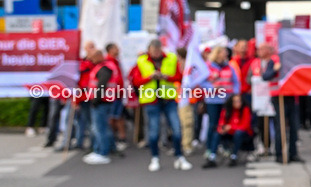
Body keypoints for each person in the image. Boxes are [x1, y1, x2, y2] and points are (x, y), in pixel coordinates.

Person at [130, 39, 192, 172]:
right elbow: (135, 80)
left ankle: (179, 156)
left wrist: (166, 77)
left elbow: (179, 77)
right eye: (154, 50)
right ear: (149, 50)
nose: (156, 53)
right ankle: (155, 158)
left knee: (176, 129)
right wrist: (150, 77)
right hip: (151, 100)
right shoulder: (141, 61)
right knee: (153, 131)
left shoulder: (171, 58)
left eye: (158, 50)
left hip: (168, 99)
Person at [257, 42, 301, 163]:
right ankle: (279, 154)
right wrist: (275, 70)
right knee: (280, 126)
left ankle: (293, 153)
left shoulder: (292, 61)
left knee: (294, 126)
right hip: (279, 96)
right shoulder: (274, 61)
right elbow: (265, 76)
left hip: (291, 96)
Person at [200, 46, 241, 168]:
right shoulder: (208, 66)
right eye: (224, 53)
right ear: (217, 54)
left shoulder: (229, 66)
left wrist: (236, 94)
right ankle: (210, 148)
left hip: (226, 99)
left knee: (225, 123)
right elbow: (201, 81)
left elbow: (236, 81)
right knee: (213, 124)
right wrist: (211, 88)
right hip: (213, 99)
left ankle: (224, 146)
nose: (226, 55)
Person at [83, 47, 123, 165]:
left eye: (93, 57)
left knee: (100, 128)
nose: (91, 60)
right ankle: (100, 149)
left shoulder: (104, 68)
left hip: (102, 102)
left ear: (99, 56)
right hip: (103, 101)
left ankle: (102, 152)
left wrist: (95, 100)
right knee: (101, 127)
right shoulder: (104, 66)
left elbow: (101, 86)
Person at [216, 94, 252, 167]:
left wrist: (231, 127)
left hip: (243, 133)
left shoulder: (245, 109)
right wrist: (221, 129)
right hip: (229, 132)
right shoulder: (227, 110)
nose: (237, 103)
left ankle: (234, 155)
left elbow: (245, 125)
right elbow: (221, 122)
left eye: (239, 101)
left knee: (238, 134)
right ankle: (212, 156)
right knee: (216, 134)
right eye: (235, 102)